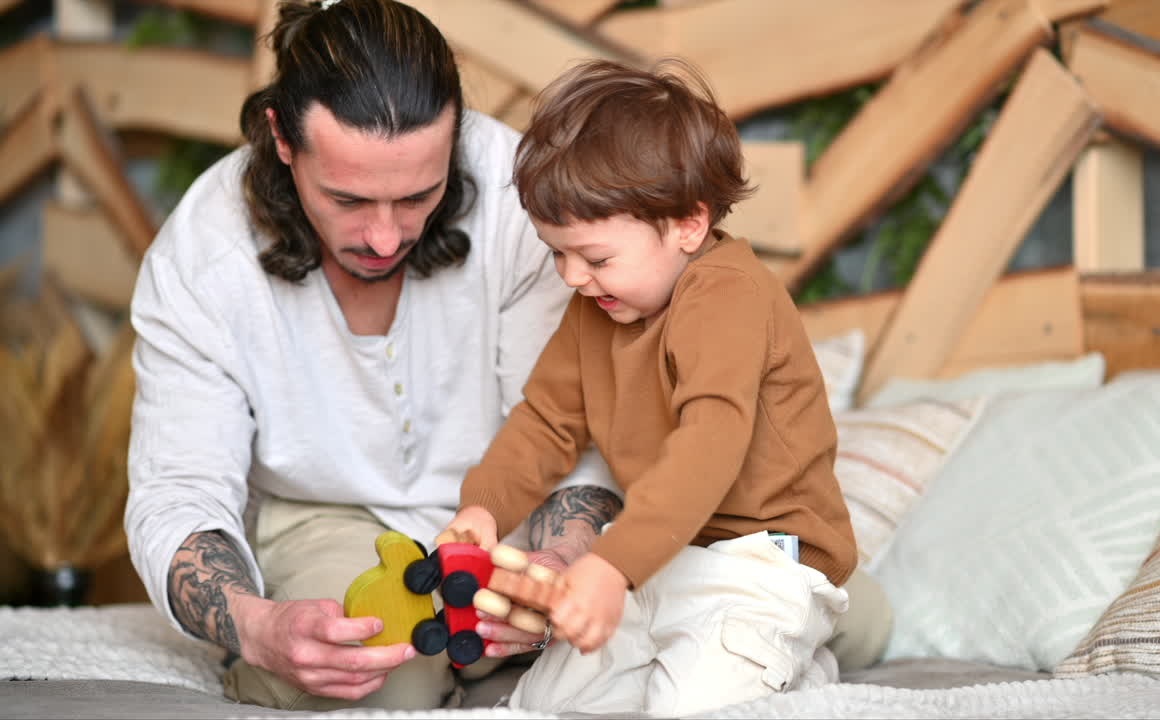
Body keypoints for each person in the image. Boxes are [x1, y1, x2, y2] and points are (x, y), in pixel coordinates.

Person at [124, 0, 621, 712]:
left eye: (420, 195)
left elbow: (574, 432)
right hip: (323, 515)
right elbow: (178, 492)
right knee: (386, 672)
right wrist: (259, 629)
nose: (386, 239)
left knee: (678, 641)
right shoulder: (204, 254)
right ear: (282, 139)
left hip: (512, 512)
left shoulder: (526, 200)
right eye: (348, 199)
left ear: (455, 142)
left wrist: (561, 568)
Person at [442, 58, 890, 717]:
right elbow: (545, 421)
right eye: (555, 253)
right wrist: (483, 509)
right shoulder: (597, 309)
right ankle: (771, 662)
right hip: (659, 555)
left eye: (594, 257)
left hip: (762, 563)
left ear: (688, 224)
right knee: (547, 703)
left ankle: (791, 665)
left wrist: (608, 565)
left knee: (693, 706)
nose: (571, 277)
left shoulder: (727, 295)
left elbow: (710, 445)